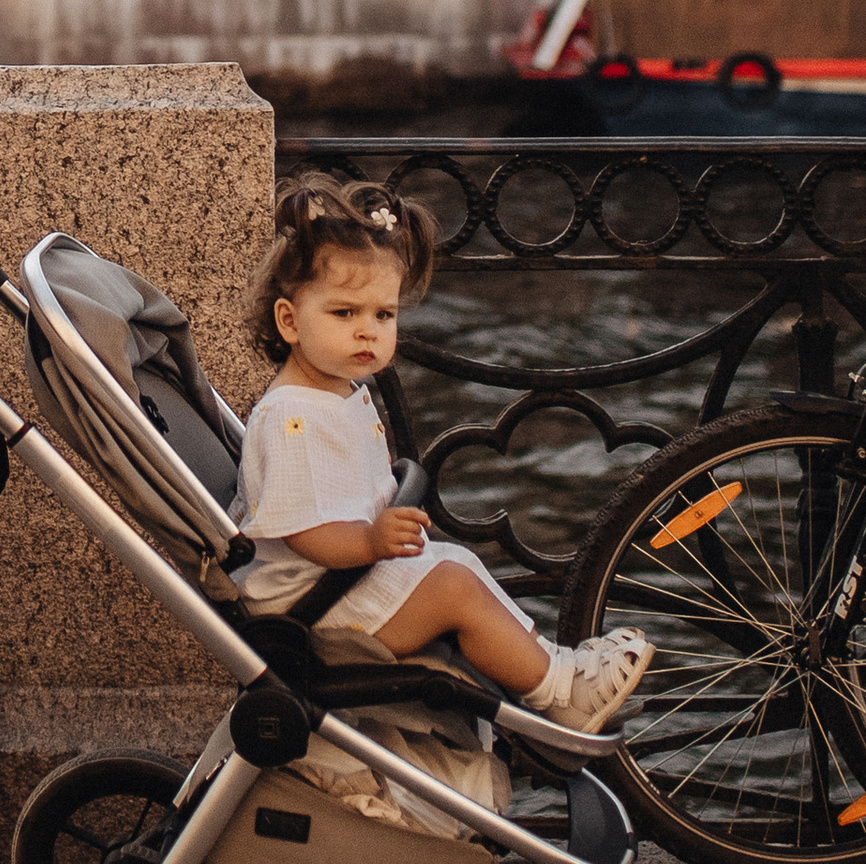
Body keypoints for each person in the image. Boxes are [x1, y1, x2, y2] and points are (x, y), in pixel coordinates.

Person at [238, 183, 650, 731]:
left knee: (457, 565)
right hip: (312, 609)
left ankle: (548, 670)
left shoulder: (337, 389)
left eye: (383, 315)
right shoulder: (291, 415)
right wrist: (367, 540)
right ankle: (558, 694)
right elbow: (301, 531)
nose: (368, 330)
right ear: (289, 321)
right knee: (453, 583)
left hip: (344, 584)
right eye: (343, 312)